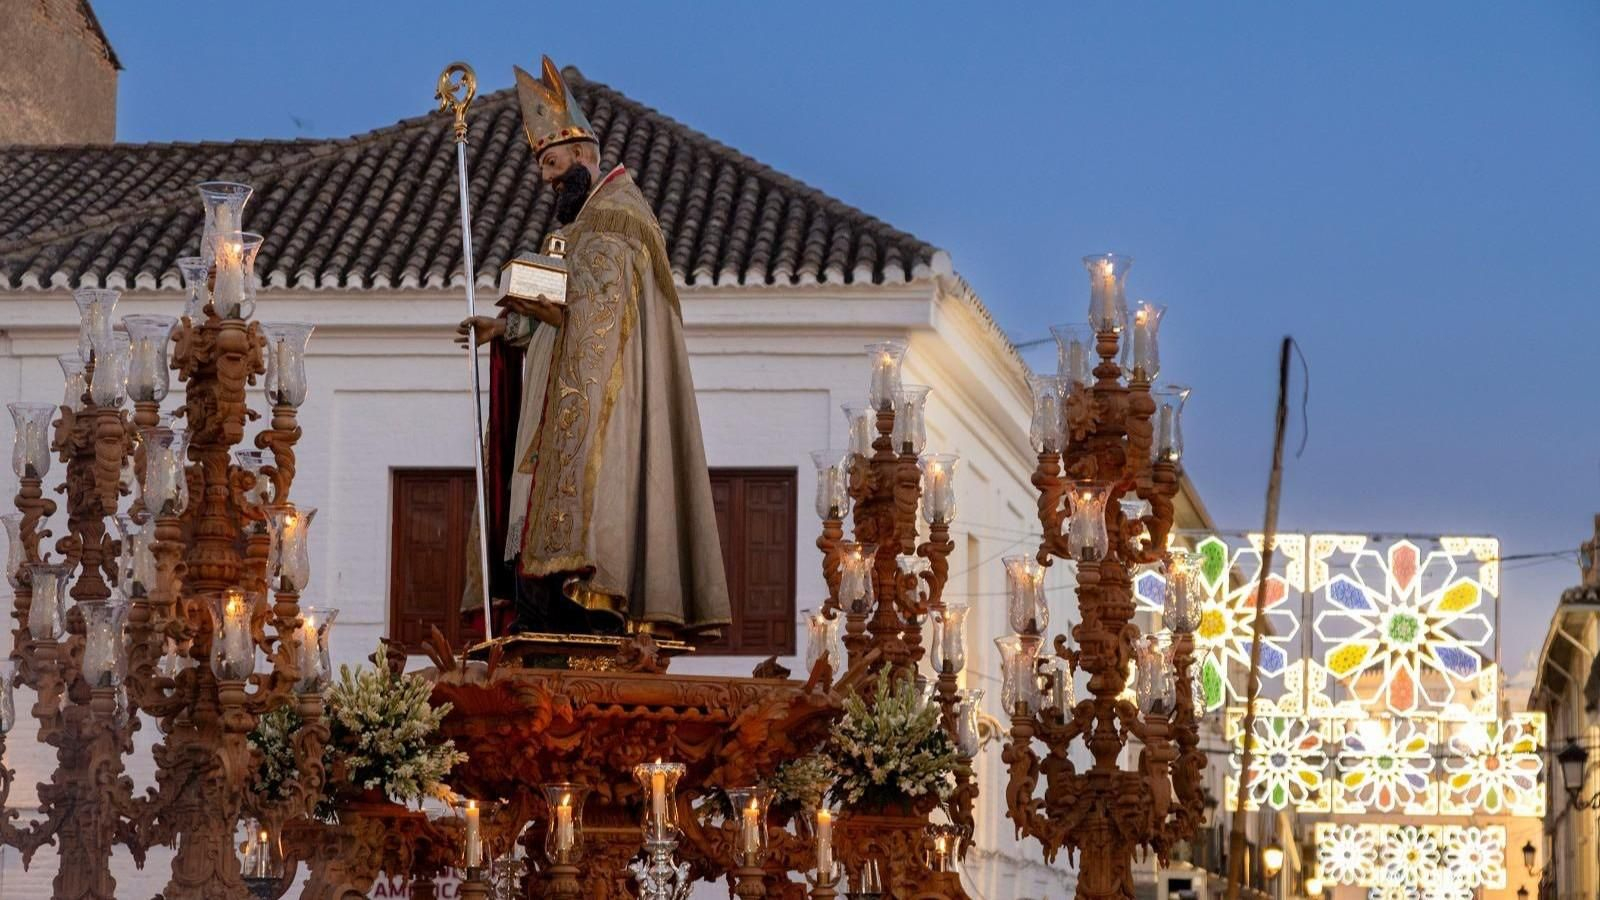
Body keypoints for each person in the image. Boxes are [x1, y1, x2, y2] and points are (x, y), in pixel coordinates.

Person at [456, 56, 730, 641]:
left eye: (554, 164)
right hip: (550, 412)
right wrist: (504, 330)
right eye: (542, 170)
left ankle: (569, 623)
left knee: (574, 546)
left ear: (586, 155)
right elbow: (562, 318)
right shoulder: (578, 229)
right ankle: (536, 628)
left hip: (596, 423)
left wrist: (542, 304)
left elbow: (599, 322)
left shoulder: (619, 220)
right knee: (529, 524)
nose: (549, 180)